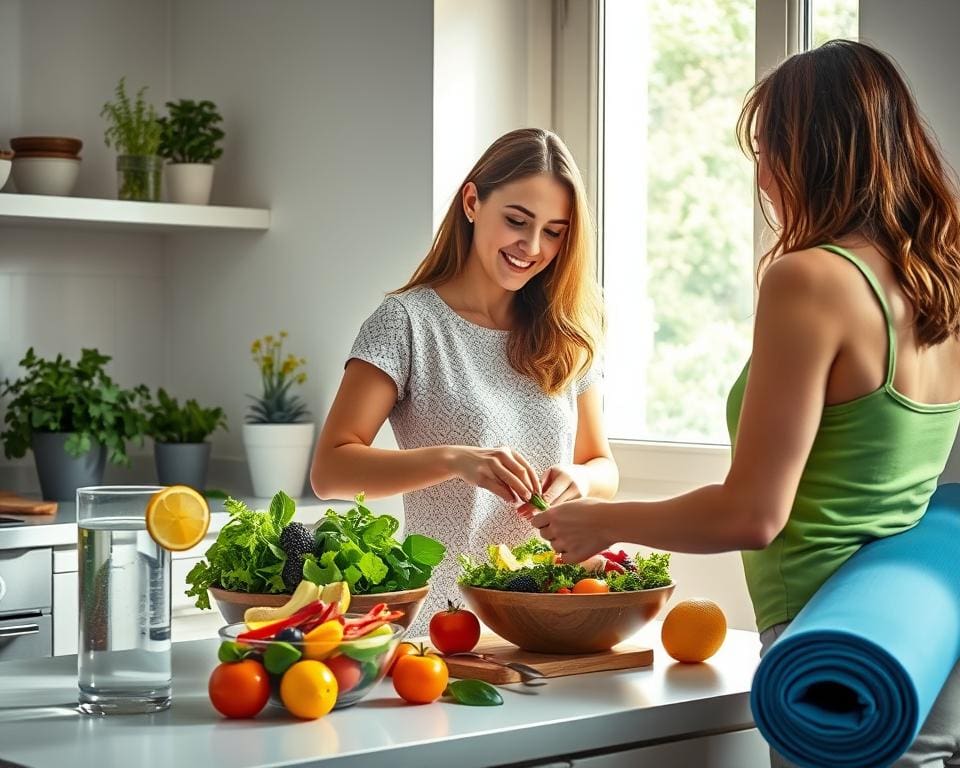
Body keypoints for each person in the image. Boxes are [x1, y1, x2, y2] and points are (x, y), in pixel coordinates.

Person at [529, 40, 960, 767]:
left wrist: (599, 521)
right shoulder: (937, 279)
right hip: (926, 640)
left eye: (767, 148)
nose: (760, 173)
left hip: (828, 649)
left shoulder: (811, 280)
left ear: (812, 152)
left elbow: (752, 515)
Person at [311, 128, 619, 634]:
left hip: (549, 613)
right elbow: (331, 470)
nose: (532, 247)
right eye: (517, 221)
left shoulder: (568, 330)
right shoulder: (408, 322)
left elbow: (602, 466)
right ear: (472, 202)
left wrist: (580, 480)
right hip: (444, 623)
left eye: (554, 231)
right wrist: (456, 460)